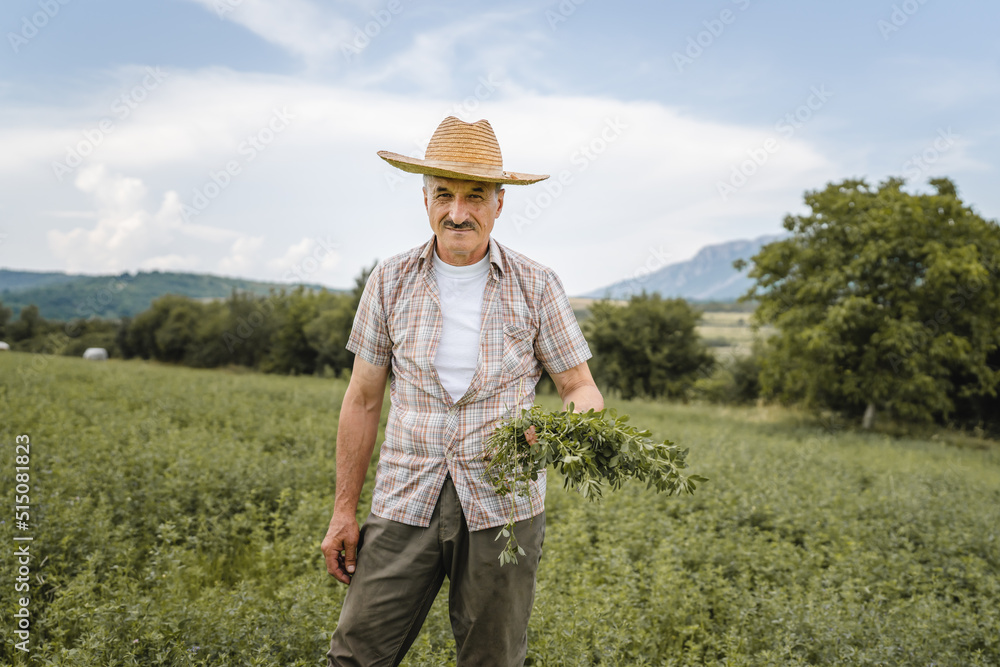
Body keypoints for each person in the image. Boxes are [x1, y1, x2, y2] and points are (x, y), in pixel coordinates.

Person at [321, 116, 604, 666]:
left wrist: (556, 432)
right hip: (405, 493)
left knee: (491, 661)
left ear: (500, 203)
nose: (457, 212)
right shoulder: (389, 281)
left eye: (474, 196)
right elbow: (362, 400)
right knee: (355, 657)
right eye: (443, 194)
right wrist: (343, 511)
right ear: (424, 198)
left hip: (503, 506)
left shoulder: (537, 285)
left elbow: (581, 387)